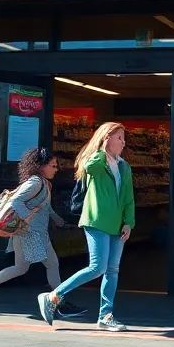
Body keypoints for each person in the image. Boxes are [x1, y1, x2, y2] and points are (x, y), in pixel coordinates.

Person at [37, 121, 134, 332]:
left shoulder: (124, 166)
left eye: (123, 138)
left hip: (117, 224)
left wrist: (129, 222)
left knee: (112, 270)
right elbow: (88, 167)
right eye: (119, 137)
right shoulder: (96, 162)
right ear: (106, 138)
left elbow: (128, 197)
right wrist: (102, 148)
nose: (123, 142)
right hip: (97, 220)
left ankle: (105, 315)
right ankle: (54, 296)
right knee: (97, 267)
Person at [0, 147, 86, 319]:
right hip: (31, 233)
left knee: (20, 268)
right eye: (53, 165)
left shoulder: (44, 183)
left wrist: (58, 220)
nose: (56, 169)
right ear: (41, 166)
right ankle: (59, 302)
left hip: (28, 232)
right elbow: (15, 201)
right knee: (52, 264)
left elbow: (45, 207)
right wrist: (28, 221)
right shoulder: (36, 183)